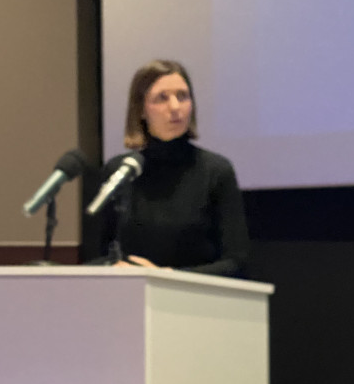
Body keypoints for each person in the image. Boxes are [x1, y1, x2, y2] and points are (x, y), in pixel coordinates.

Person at [97, 59, 250, 277]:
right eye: (162, 98)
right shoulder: (120, 171)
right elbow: (97, 255)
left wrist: (168, 277)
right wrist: (113, 267)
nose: (175, 107)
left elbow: (236, 261)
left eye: (182, 96)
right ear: (140, 110)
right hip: (130, 293)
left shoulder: (216, 171)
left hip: (195, 295)